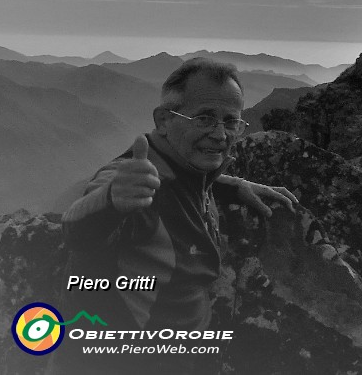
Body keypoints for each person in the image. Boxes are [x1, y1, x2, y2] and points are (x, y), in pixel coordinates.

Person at [47, 57, 298, 374]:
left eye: (231, 121)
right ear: (164, 120)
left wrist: (232, 185)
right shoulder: (138, 185)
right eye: (205, 118)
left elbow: (182, 183)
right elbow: (78, 229)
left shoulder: (184, 167)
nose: (221, 134)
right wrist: (111, 200)